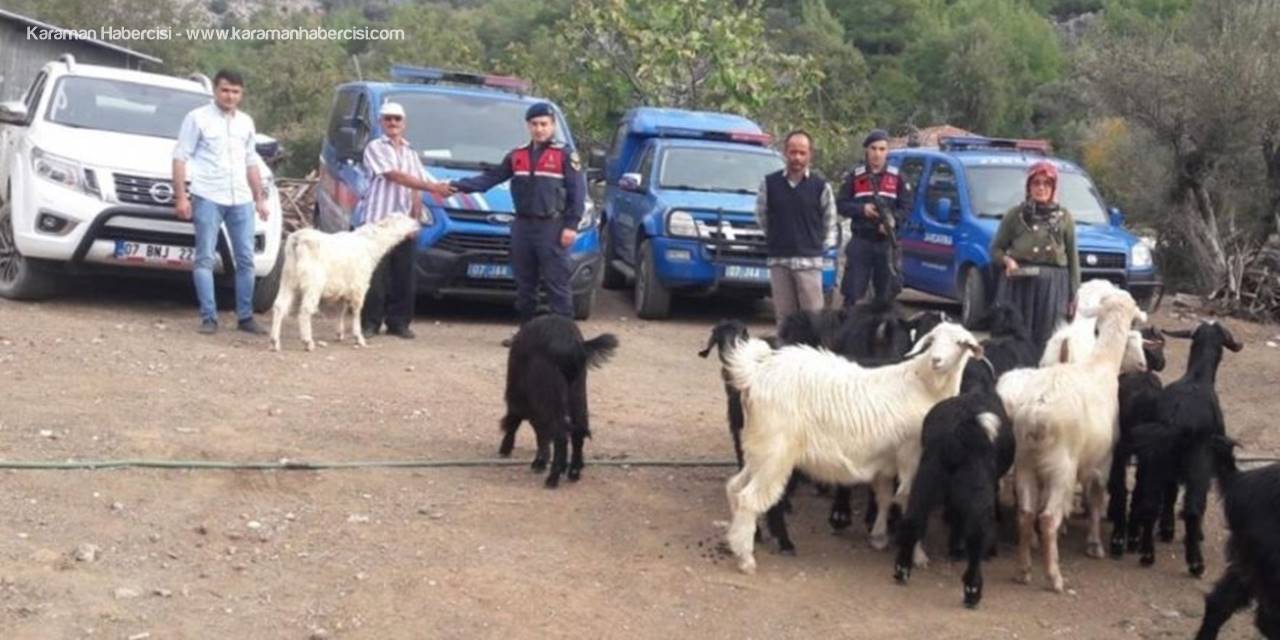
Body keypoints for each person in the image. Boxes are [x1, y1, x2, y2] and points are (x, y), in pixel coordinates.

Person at [449, 102, 585, 346]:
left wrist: (571, 225)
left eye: (544, 124)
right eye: (534, 124)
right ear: (527, 126)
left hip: (552, 226)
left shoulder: (565, 155)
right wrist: (456, 186)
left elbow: (577, 193)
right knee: (525, 286)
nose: (539, 129)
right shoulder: (517, 155)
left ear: (552, 125)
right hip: (523, 226)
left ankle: (566, 339)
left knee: (557, 284)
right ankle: (526, 335)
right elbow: (490, 179)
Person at [173, 69, 270, 335]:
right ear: (215, 90)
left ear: (242, 94)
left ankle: (245, 316)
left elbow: (251, 161)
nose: (230, 96)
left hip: (241, 198)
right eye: (225, 90)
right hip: (208, 195)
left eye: (235, 91)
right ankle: (208, 317)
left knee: (246, 259)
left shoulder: (246, 122)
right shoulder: (197, 118)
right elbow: (180, 157)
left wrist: (259, 198)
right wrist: (181, 196)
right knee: (205, 257)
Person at [358, 102, 453, 339]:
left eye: (397, 119)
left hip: (402, 225)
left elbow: (415, 189)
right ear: (381, 122)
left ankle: (399, 323)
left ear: (404, 123)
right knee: (375, 276)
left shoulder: (410, 152)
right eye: (388, 118)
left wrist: (414, 221)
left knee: (404, 276)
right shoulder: (375, 147)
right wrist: (434, 187)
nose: (393, 123)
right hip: (377, 222)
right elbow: (395, 176)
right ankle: (369, 323)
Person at [990, 160, 1080, 352]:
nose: (1041, 188)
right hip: (1018, 287)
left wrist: (1074, 297)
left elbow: (1073, 260)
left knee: (1048, 341)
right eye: (1036, 183)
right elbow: (996, 249)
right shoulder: (1015, 216)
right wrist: (1008, 261)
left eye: (1047, 184)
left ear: (1053, 188)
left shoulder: (1064, 218)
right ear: (1028, 187)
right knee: (1015, 340)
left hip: (1052, 289)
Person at [755, 130, 836, 330]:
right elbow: (761, 216)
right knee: (784, 320)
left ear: (810, 154)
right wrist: (776, 238)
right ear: (785, 152)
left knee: (814, 319)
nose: (797, 157)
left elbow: (829, 220)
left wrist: (819, 245)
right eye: (793, 152)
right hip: (779, 261)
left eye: (802, 153)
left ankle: (813, 351)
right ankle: (785, 350)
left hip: (809, 262)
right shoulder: (769, 184)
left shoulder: (821, 186)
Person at [837, 128, 908, 308]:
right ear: (867, 150)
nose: (877, 154)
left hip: (886, 243)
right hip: (861, 240)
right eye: (873, 148)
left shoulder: (897, 177)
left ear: (887, 151)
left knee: (886, 296)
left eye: (882, 149)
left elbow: (907, 207)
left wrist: (892, 221)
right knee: (853, 294)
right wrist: (862, 209)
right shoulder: (855, 176)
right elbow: (841, 204)